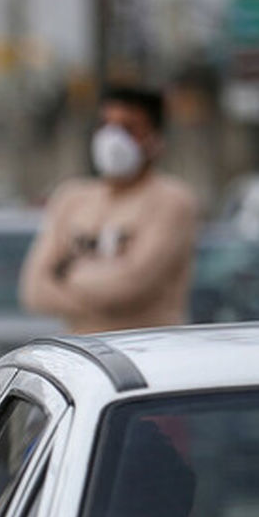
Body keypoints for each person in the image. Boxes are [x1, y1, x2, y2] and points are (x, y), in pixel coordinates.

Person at [19, 84, 199, 334]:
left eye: (128, 128)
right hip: (83, 357)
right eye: (105, 125)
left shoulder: (171, 201)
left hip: (146, 356)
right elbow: (35, 290)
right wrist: (105, 287)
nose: (112, 138)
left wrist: (68, 273)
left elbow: (131, 285)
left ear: (154, 139)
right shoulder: (71, 198)